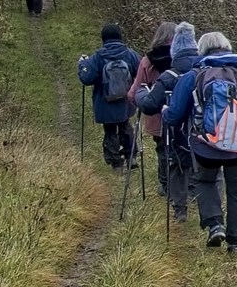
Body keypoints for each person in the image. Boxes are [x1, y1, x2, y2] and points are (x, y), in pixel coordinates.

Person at [164, 29, 237, 251]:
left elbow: (174, 116)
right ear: (227, 47)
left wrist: (165, 110)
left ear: (201, 50)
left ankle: (215, 225)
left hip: (205, 144)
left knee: (205, 181)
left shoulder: (193, 76)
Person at [132, 22, 199, 224]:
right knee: (196, 158)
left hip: (163, 118)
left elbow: (140, 92)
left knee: (168, 154)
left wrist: (139, 94)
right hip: (200, 125)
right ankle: (198, 196)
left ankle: (171, 194)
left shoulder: (150, 61)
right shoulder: (204, 68)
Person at [75, 22, 141, 170]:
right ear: (120, 36)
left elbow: (87, 78)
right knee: (125, 125)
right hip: (126, 101)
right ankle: (131, 156)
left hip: (105, 102)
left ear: (103, 38)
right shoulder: (130, 54)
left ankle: (116, 163)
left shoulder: (98, 57)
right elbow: (142, 74)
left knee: (110, 131)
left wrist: (82, 64)